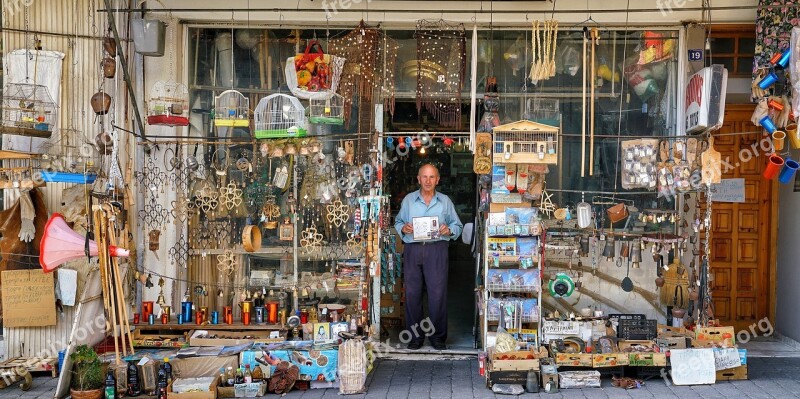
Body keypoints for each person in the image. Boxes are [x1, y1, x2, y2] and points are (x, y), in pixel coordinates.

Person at [394, 164, 463, 350]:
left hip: (437, 250)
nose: (427, 180)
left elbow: (458, 226)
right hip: (413, 249)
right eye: (424, 177)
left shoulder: (445, 201)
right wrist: (403, 228)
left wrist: (449, 230)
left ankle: (438, 337)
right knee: (412, 294)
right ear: (418, 179)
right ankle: (415, 338)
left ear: (437, 180)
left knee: (437, 294)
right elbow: (398, 221)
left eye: (432, 177)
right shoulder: (409, 201)